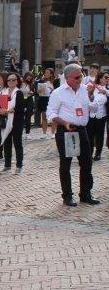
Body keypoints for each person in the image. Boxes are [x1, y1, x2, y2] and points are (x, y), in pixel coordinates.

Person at [47, 63, 100, 207]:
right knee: (66, 165)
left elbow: (94, 108)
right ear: (67, 78)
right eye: (77, 77)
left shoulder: (84, 89)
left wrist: (90, 95)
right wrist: (64, 123)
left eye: (81, 76)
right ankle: (67, 196)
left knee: (87, 163)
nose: (80, 79)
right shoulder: (58, 93)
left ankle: (85, 194)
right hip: (66, 131)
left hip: (82, 130)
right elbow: (50, 113)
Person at [0, 73, 25, 174]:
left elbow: (20, 108)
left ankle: (19, 166)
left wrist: (8, 111)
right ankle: (7, 166)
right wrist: (1, 110)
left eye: (13, 80)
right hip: (6, 121)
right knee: (7, 143)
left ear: (17, 81)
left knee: (17, 143)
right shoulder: (3, 92)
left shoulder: (19, 93)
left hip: (16, 121)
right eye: (9, 80)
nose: (11, 82)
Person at [86, 71, 109, 161]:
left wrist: (105, 91)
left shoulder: (107, 88)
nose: (107, 79)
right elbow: (88, 98)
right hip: (91, 115)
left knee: (100, 135)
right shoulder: (93, 87)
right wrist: (90, 94)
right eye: (105, 77)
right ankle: (89, 153)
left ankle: (98, 153)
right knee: (90, 135)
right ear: (100, 79)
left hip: (101, 115)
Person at [37, 68, 57, 139]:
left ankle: (53, 132)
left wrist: (52, 89)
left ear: (51, 74)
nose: (46, 74)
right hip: (43, 99)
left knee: (52, 116)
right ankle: (44, 133)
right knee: (44, 117)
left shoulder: (55, 81)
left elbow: (58, 90)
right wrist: (39, 91)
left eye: (47, 73)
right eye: (45, 72)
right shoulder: (41, 81)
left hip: (52, 100)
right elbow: (38, 90)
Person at [20, 72, 35, 140]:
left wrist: (32, 93)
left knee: (28, 117)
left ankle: (27, 133)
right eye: (28, 76)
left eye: (30, 77)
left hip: (29, 101)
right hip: (22, 101)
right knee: (21, 117)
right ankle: (21, 132)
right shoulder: (21, 83)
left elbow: (33, 92)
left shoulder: (31, 84)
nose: (29, 78)